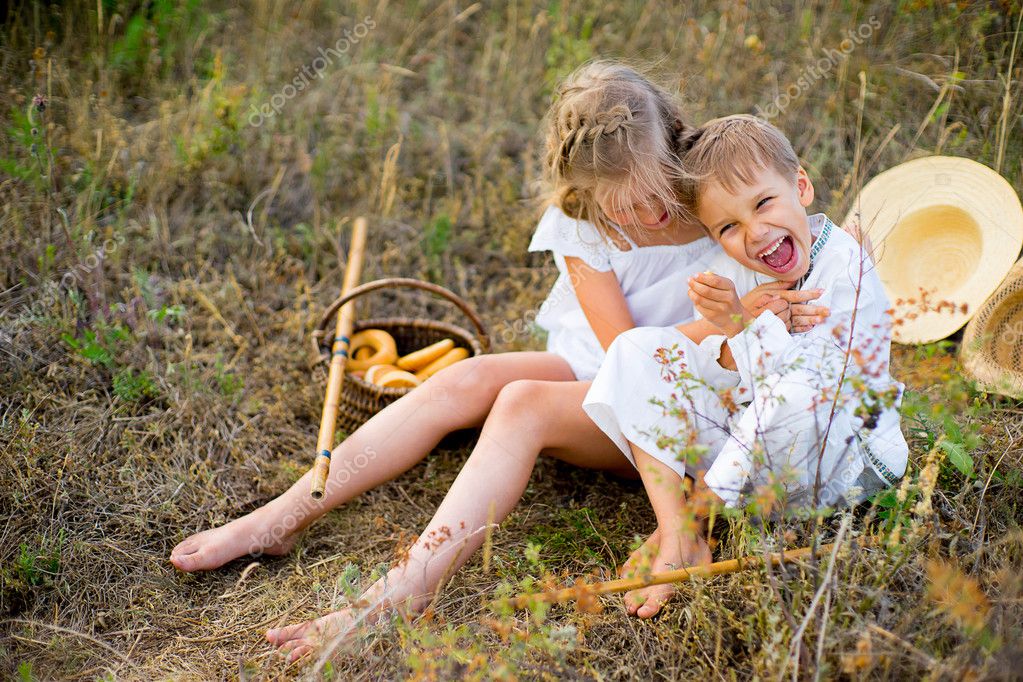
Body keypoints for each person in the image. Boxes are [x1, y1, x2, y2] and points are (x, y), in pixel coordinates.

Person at [171, 62, 824, 661]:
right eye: (619, 207)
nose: (646, 214)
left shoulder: (724, 202)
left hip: (678, 402)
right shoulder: (581, 219)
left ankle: (403, 591)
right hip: (611, 370)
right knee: (466, 379)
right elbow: (615, 349)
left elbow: (650, 370)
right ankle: (282, 515)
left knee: (520, 405)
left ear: (674, 142)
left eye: (654, 190)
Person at [583, 114, 909, 617]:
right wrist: (734, 328)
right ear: (714, 236)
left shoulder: (845, 268)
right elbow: (725, 372)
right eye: (729, 227)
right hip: (767, 463)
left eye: (763, 203)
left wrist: (743, 326)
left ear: (801, 185)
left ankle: (695, 519)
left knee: (793, 392)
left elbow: (815, 386)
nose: (755, 234)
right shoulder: (735, 271)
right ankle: (678, 531)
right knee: (634, 349)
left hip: (845, 459)